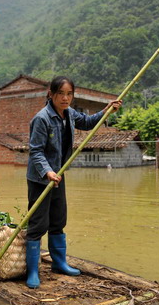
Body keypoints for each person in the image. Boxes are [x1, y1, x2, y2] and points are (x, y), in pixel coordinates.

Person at [25, 76, 122, 289]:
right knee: (37, 224)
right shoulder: (42, 118)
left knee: (58, 219)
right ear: (51, 94)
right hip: (41, 178)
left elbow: (86, 123)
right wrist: (48, 172)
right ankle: (32, 270)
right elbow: (36, 151)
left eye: (69, 94)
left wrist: (107, 111)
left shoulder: (69, 114)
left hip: (59, 175)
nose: (65, 98)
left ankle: (59, 263)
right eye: (61, 93)